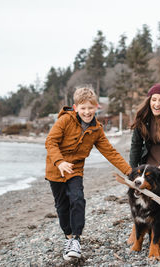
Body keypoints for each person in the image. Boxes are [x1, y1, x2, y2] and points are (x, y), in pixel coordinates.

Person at [45, 86, 131, 261]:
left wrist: (130, 171)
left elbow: (110, 152)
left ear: (96, 107)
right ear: (76, 108)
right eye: (83, 108)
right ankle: (68, 238)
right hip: (56, 169)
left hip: (75, 169)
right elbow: (50, 142)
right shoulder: (64, 121)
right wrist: (60, 162)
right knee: (62, 207)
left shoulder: (96, 129)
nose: (87, 112)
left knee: (77, 199)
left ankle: (76, 239)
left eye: (90, 108)